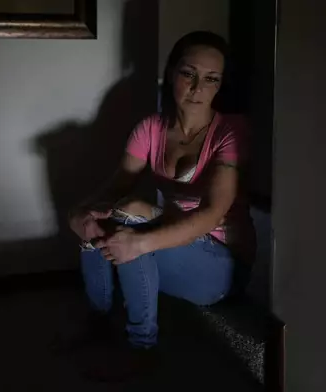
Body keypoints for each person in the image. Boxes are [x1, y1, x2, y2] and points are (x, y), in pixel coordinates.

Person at [67, 31, 255, 380]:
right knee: (105, 219)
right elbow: (113, 189)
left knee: (134, 224)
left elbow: (212, 213)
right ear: (172, 73)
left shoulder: (231, 131)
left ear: (220, 86)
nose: (198, 87)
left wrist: (141, 242)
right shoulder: (150, 128)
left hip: (222, 262)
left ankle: (142, 348)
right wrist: (82, 214)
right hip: (175, 239)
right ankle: (99, 322)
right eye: (189, 73)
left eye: (211, 79)